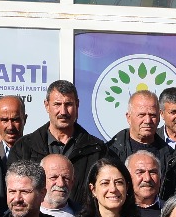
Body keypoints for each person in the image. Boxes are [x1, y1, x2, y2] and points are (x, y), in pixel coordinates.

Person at [11, 81, 107, 209]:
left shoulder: (97, 150)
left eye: (68, 104)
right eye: (57, 104)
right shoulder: (23, 148)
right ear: (46, 105)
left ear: (77, 105)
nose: (63, 111)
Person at [106, 90, 176, 198]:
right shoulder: (109, 153)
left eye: (152, 115)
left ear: (159, 117)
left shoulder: (173, 160)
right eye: (141, 115)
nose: (147, 120)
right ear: (129, 117)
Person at [127, 150, 165, 217]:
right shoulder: (119, 212)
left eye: (152, 172)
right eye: (140, 172)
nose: (147, 178)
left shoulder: (171, 212)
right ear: (128, 177)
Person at [39, 153, 77, 217]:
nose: (61, 184)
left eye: (66, 178)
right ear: (41, 180)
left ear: (72, 182)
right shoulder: (25, 215)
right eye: (53, 177)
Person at [0, 95, 27, 161]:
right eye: (4, 120)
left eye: (15, 120)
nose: (10, 127)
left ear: (24, 119)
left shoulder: (37, 152)